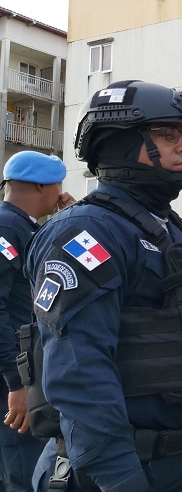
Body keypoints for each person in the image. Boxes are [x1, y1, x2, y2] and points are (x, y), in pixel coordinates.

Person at [24, 80, 182, 491]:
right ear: (121, 143)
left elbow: (174, 311)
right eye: (167, 135)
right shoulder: (87, 233)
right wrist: (122, 480)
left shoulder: (165, 228)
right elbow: (79, 372)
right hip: (110, 472)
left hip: (177, 462)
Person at [0, 151, 74, 491]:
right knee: (23, 472)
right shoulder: (8, 227)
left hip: (21, 370)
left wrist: (71, 216)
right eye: (58, 184)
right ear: (45, 186)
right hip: (14, 378)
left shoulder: (21, 226)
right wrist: (16, 385)